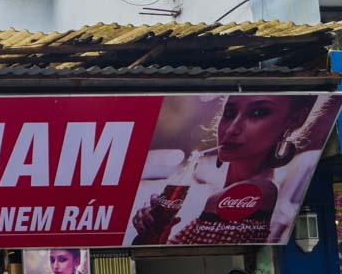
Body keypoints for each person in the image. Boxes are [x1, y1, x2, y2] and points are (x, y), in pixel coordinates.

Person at [131, 95, 315, 245]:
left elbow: (176, 266)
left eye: (258, 112)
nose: (232, 129)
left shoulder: (246, 194)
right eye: (229, 112)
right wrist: (156, 230)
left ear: (295, 119)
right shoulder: (246, 189)